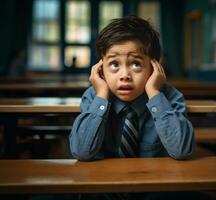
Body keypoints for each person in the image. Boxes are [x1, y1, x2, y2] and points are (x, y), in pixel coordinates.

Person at [69, 16, 198, 200]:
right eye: (114, 64)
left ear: (154, 67)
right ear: (100, 68)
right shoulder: (94, 96)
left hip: (156, 191)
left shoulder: (168, 97)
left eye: (136, 64)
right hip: (102, 192)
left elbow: (182, 150)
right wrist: (102, 95)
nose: (125, 75)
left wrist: (153, 92)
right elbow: (82, 151)